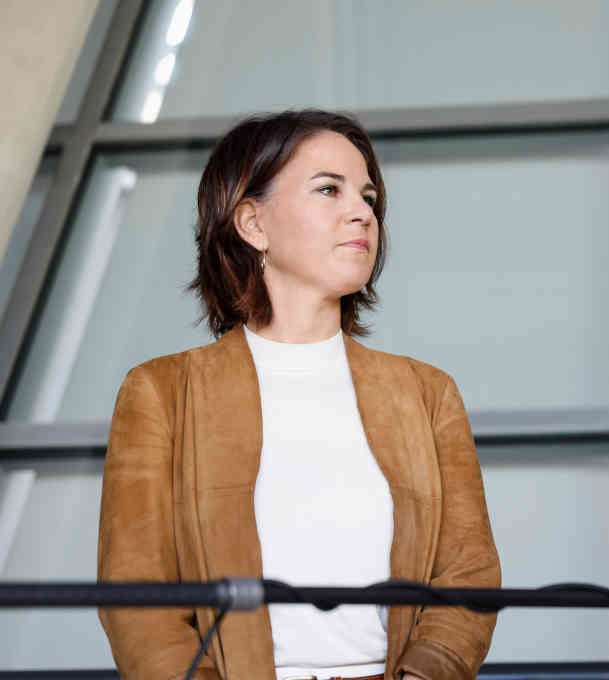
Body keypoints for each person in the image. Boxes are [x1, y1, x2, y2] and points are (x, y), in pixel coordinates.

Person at [97, 110, 501, 680]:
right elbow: (137, 601)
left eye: (368, 195)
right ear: (252, 223)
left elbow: (469, 572)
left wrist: (424, 673)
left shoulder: (426, 393)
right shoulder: (163, 393)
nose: (362, 211)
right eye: (328, 189)